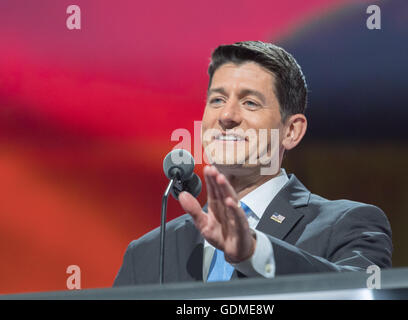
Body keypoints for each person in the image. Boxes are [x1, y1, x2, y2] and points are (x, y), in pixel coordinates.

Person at [113, 41, 393, 286]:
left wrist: (254, 254)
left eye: (250, 103)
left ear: (291, 131)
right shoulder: (147, 252)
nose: (226, 115)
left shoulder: (348, 225)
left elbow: (359, 292)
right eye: (217, 99)